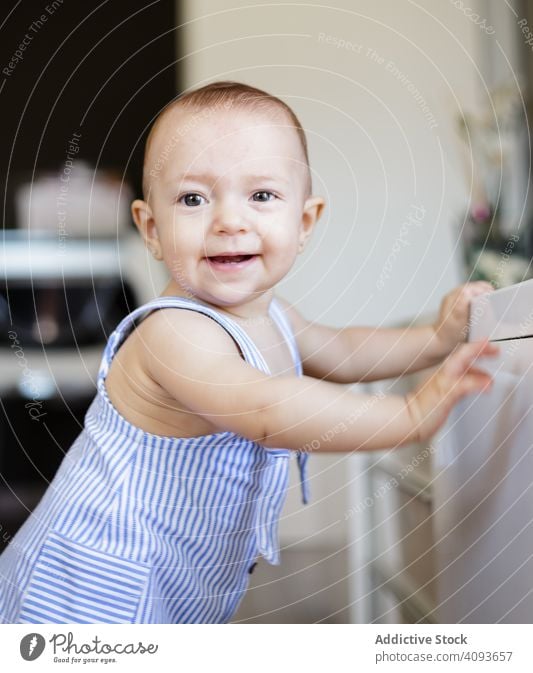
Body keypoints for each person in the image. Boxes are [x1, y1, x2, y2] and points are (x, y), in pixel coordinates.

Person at [0, 80, 497, 624]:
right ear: (151, 229)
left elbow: (346, 352)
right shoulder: (174, 333)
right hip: (87, 590)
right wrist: (410, 415)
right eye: (193, 199)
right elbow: (268, 410)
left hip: (170, 583)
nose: (229, 221)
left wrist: (436, 338)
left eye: (261, 196)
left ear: (304, 222)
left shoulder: (273, 316)